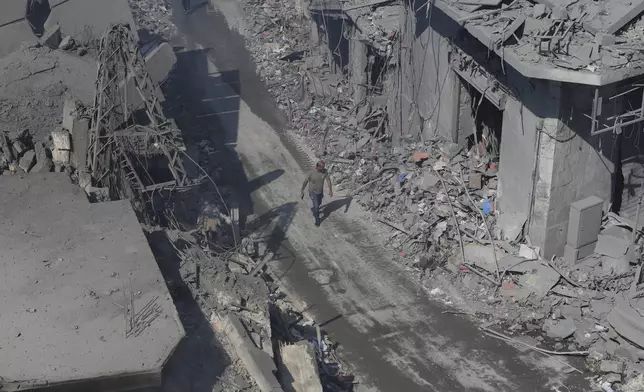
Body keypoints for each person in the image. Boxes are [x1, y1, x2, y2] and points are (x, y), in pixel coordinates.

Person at [301, 160, 333, 226]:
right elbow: (305, 181)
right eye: (322, 167)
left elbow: (328, 181)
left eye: (324, 167)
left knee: (319, 203)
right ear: (318, 167)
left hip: (320, 192)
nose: (323, 169)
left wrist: (330, 190)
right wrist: (302, 190)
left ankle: (315, 210)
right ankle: (317, 220)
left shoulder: (325, 172)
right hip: (312, 192)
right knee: (316, 206)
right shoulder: (311, 173)